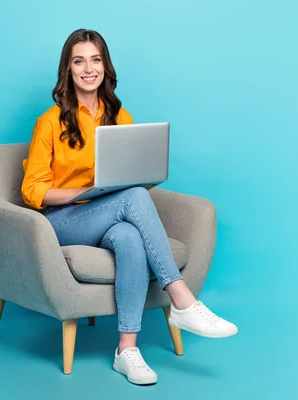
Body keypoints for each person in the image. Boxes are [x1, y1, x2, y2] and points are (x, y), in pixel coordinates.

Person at [21, 28, 238, 385]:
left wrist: (117, 188)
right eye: (79, 61)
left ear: (105, 66)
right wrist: (82, 191)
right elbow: (32, 190)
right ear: (68, 70)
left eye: (95, 59)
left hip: (110, 215)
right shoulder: (49, 122)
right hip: (62, 220)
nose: (88, 68)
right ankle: (182, 298)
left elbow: (128, 176)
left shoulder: (120, 117)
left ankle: (127, 350)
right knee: (135, 196)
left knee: (128, 237)